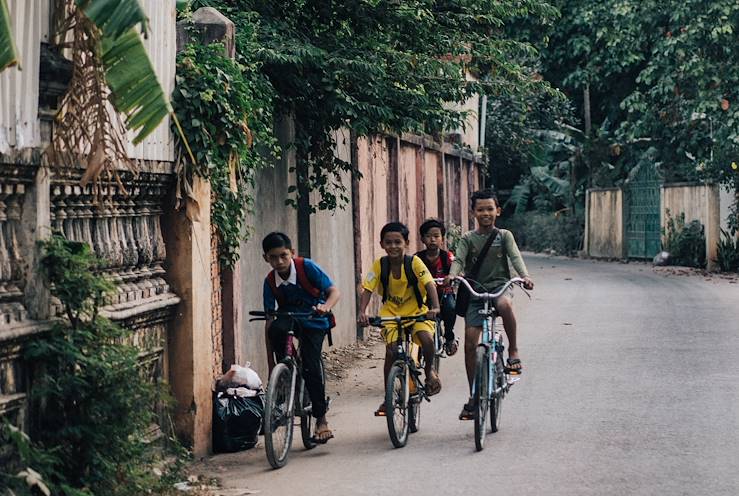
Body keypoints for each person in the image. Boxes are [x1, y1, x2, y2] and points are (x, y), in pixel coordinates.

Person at [445, 189, 534, 421]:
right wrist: (453, 275)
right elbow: (459, 260)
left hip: (500, 286)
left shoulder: (504, 236)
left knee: (505, 305)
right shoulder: (467, 238)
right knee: (470, 344)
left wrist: (525, 276)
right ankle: (474, 395)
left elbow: (515, 258)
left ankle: (513, 351)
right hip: (475, 290)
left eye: (489, 209)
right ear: (473, 212)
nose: (485, 213)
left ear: (497, 211)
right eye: (480, 209)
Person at [262, 232, 340, 443]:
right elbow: (269, 320)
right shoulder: (270, 282)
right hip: (289, 318)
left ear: (292, 254)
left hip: (314, 319)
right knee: (277, 329)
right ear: (265, 258)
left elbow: (333, 291)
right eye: (273, 257)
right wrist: (272, 363)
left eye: (283, 256)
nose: (278, 262)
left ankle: (321, 419)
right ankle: (288, 368)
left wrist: (326, 306)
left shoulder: (307, 267)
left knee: (311, 366)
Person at [357, 222, 442, 416]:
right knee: (391, 352)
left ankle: (429, 372)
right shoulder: (380, 265)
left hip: (417, 312)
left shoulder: (414, 263)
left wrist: (435, 307)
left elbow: (429, 284)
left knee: (427, 340)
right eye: (388, 242)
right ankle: (389, 397)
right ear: (381, 244)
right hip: (392, 315)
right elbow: (368, 288)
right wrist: (362, 311)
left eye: (398, 242)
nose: (393, 246)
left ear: (407, 243)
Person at [415, 218, 458, 356]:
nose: (432, 240)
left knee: (451, 307)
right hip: (424, 295)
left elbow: (456, 269)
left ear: (442, 239)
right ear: (422, 239)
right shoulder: (417, 258)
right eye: (428, 236)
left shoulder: (447, 257)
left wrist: (453, 276)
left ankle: (449, 337)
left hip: (444, 292)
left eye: (436, 236)